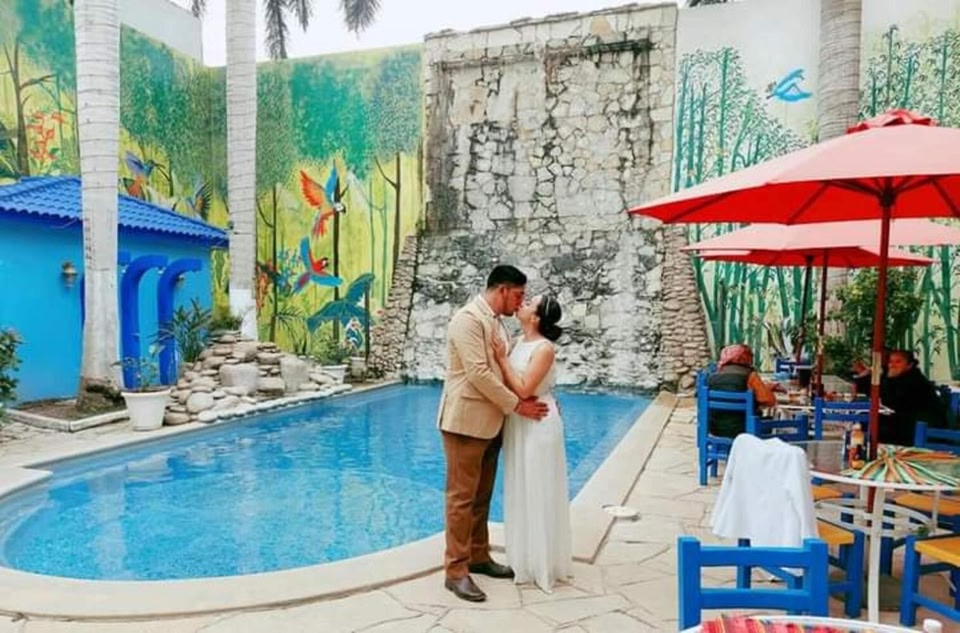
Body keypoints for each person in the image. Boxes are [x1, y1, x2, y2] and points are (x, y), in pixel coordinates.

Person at [437, 265, 549, 603]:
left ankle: (478, 555)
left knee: (481, 496)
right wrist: (518, 406)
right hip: (465, 423)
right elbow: (479, 374)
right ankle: (456, 571)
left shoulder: (497, 321)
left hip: (490, 423)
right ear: (502, 289)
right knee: (461, 499)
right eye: (518, 295)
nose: (520, 302)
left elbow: (506, 367)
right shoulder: (468, 320)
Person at [491, 294, 572, 593]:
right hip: (519, 421)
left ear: (536, 318)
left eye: (529, 304)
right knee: (520, 485)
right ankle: (523, 559)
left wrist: (502, 359)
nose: (521, 304)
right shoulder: (516, 342)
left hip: (538, 421)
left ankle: (543, 563)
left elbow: (525, 389)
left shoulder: (544, 348)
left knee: (539, 487)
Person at [879, 349, 947, 446]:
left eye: (898, 362)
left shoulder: (914, 380)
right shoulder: (904, 377)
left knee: (878, 427)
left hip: (924, 429)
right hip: (912, 422)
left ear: (909, 365)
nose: (892, 365)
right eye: (890, 362)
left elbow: (892, 402)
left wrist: (889, 379)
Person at [706, 344, 776, 438]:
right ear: (745, 358)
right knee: (772, 421)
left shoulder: (712, 377)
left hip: (715, 429)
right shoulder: (750, 376)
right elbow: (769, 401)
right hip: (745, 429)